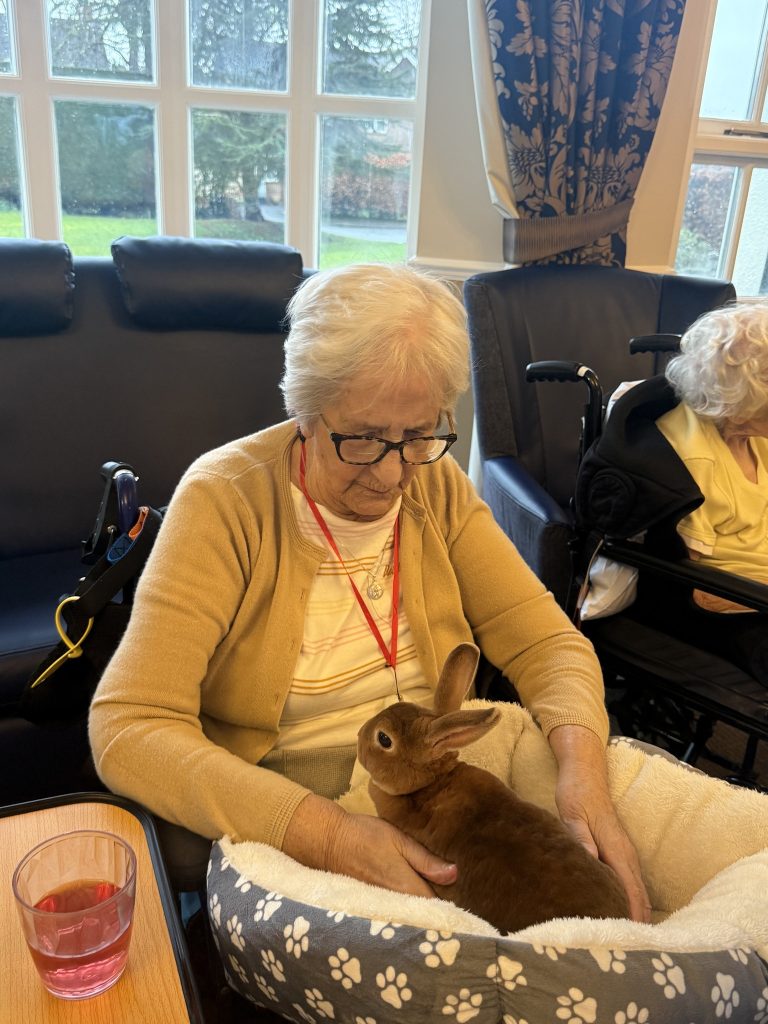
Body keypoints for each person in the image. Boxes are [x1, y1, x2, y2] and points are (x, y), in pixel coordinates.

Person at [89, 262, 649, 921]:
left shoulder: (433, 488)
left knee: (632, 835)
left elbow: (548, 643)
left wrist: (585, 781)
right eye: (361, 440)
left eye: (418, 436)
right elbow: (128, 726)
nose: (391, 476)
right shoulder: (226, 499)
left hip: (439, 793)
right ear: (305, 411)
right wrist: (328, 834)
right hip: (290, 805)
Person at [654, 300, 768, 682]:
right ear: (740, 405)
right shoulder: (695, 461)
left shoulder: (757, 437)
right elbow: (699, 584)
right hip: (731, 602)